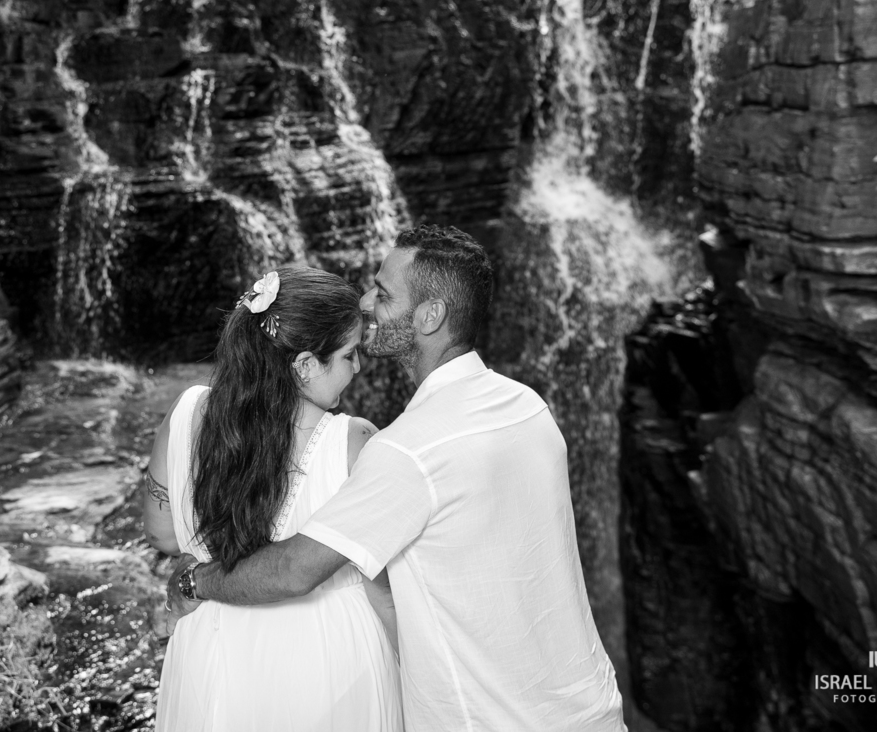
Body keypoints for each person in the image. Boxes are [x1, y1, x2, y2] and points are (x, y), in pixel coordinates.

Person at [167, 224, 627, 731]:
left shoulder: (408, 449)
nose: (366, 303)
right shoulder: (528, 407)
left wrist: (195, 580)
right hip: (588, 709)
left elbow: (295, 570)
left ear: (431, 316)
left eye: (384, 295)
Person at [142, 265, 402, 732]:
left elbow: (161, 534)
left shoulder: (184, 414)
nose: (358, 368)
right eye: (349, 355)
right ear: (304, 365)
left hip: (212, 649)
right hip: (327, 666)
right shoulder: (353, 441)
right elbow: (385, 587)